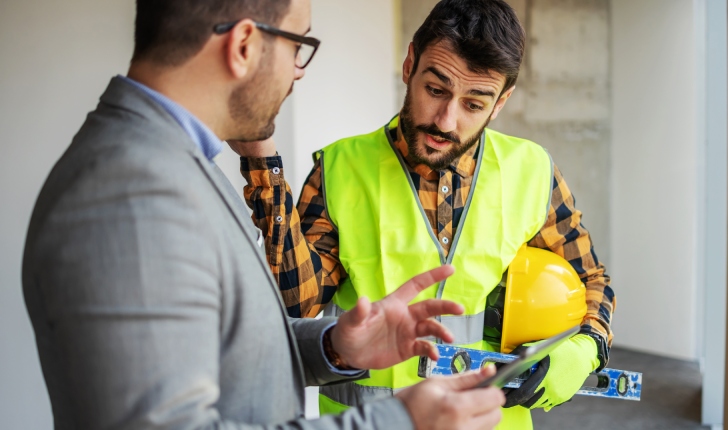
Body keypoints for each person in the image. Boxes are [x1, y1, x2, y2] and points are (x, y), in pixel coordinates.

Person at [21, 0, 508, 429]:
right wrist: (403, 420)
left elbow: (221, 347)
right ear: (244, 46)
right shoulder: (131, 195)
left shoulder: (175, 163)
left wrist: (334, 347)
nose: (299, 70)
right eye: (298, 44)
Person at [229, 0, 617, 428]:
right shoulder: (341, 168)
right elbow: (297, 305)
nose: (446, 121)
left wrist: (586, 347)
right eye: (436, 90)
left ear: (501, 101)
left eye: (474, 104)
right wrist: (263, 165)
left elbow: (591, 280)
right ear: (410, 63)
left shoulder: (533, 170)